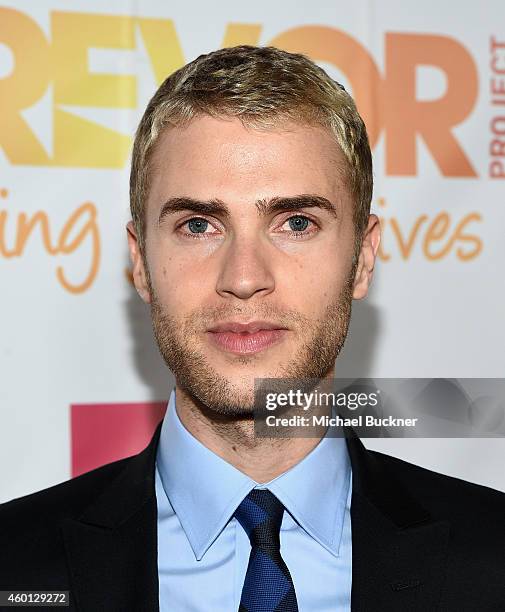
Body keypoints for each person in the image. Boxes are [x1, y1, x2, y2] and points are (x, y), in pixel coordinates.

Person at [0, 45, 504, 612]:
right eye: (198, 225)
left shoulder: (493, 559)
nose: (243, 278)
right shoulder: (14, 566)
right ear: (140, 262)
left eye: (295, 222)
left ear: (363, 258)